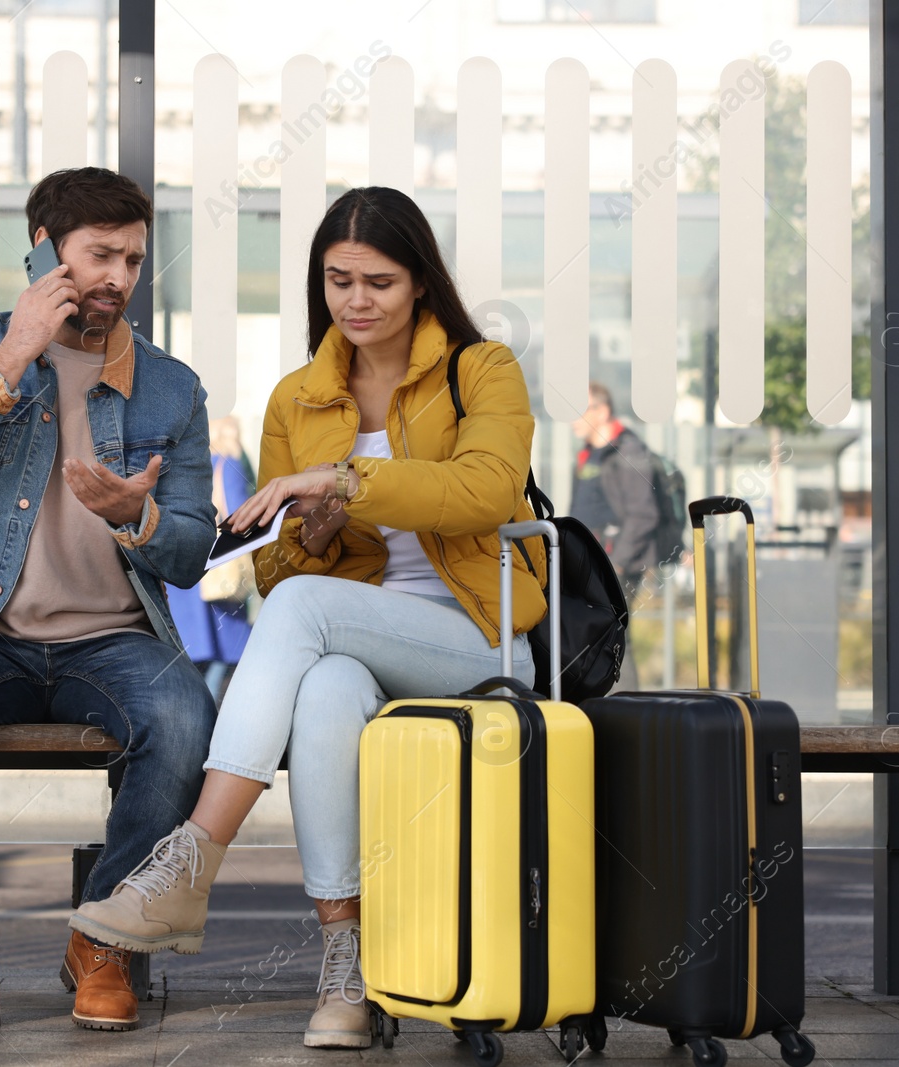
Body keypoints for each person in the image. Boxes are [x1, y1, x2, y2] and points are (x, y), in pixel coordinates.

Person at [69, 185, 546, 1050]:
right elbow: (280, 570)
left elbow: (486, 488)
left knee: (306, 614)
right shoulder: (299, 398)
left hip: (478, 640)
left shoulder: (484, 369)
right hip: (351, 639)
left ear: (421, 286)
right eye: (338, 281)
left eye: (380, 282)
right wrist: (320, 536)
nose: (357, 301)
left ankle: (192, 860)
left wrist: (340, 481)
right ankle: (347, 964)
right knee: (324, 687)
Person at [0, 167, 219, 1037]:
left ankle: (101, 940)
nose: (120, 277)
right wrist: (15, 355)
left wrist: (133, 513)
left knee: (182, 717)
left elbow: (191, 552)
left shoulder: (172, 389)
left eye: (134, 259)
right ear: (43, 253)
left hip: (115, 640)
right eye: (101, 254)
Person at [569, 382, 661, 688]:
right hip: (590, 563)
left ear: (602, 411)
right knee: (593, 639)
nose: (571, 419)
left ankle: (628, 713)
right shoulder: (587, 456)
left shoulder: (628, 451)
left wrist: (617, 563)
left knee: (617, 639)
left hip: (615, 564)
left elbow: (644, 514)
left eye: (578, 410)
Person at [165, 416, 255, 703]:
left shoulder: (194, 463)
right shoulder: (230, 463)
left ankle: (197, 709)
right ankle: (212, 714)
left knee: (199, 653)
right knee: (226, 653)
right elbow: (240, 512)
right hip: (219, 571)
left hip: (190, 571)